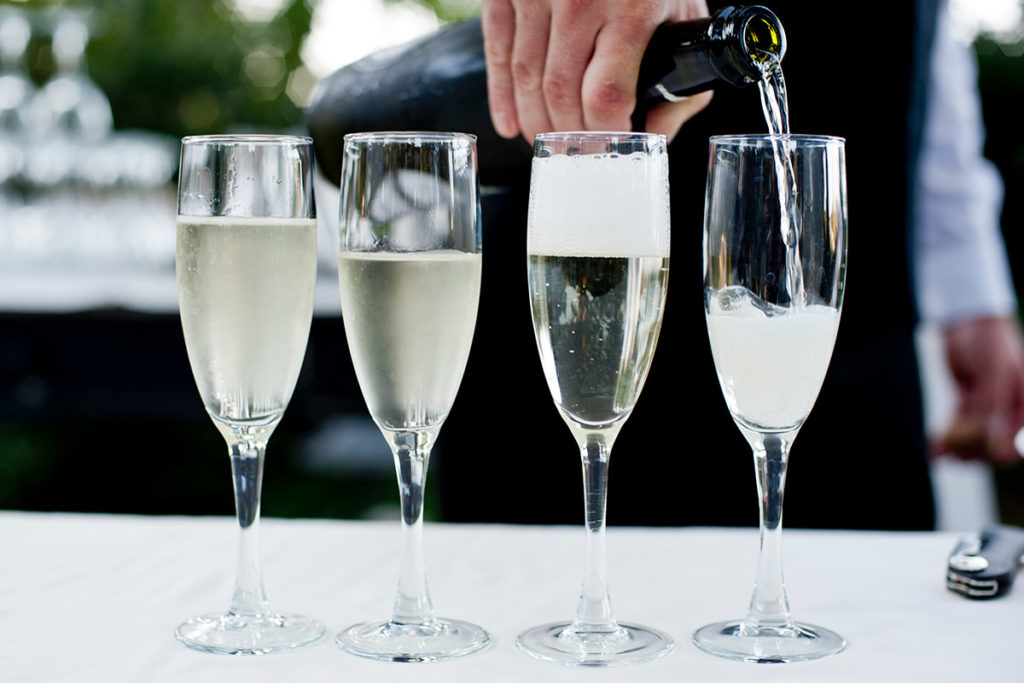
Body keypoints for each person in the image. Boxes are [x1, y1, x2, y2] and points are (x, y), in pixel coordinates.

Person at [430, 0, 1024, 530]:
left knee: (865, 617)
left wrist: (971, 286)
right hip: (579, 279)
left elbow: (930, 56)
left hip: (849, 323)